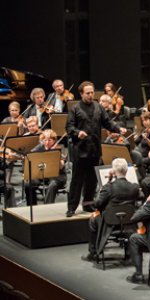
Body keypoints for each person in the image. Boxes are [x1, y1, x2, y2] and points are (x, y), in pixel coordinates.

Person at [65, 81, 127, 217]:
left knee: (92, 180)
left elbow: (108, 123)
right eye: (87, 93)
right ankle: (71, 207)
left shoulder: (99, 107)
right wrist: (77, 133)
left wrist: (118, 129)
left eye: (92, 92)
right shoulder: (75, 109)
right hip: (80, 150)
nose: (90, 95)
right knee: (77, 180)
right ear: (81, 94)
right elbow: (69, 128)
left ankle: (87, 205)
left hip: (94, 148)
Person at [82, 158, 142, 262]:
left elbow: (97, 203)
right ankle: (128, 252)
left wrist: (108, 181)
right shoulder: (134, 187)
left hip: (110, 222)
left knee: (93, 219)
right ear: (127, 171)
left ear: (113, 172)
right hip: (129, 221)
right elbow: (141, 196)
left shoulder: (108, 187)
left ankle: (93, 252)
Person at [24, 129, 67, 206]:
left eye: (49, 140)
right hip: (43, 174)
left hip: (57, 176)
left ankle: (48, 206)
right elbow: (30, 156)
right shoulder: (40, 147)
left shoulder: (59, 148)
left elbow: (61, 167)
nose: (47, 142)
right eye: (45, 140)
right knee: (28, 184)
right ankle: (31, 205)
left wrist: (57, 157)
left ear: (54, 140)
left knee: (52, 185)